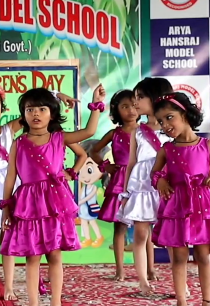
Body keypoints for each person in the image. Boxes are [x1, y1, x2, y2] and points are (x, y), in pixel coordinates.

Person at [0, 81, 82, 301]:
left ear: (3, 108)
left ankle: (9, 285)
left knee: (8, 237)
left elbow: (37, 107)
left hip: (10, 185)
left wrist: (58, 94)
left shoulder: (10, 129)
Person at [0, 87, 106, 306]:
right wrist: (5, 208)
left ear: (52, 114)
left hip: (54, 202)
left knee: (55, 254)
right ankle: (33, 302)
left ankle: (56, 302)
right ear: (23, 114)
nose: (35, 114)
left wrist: (96, 104)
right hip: (28, 204)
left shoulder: (59, 138)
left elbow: (89, 132)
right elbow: (11, 177)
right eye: (30, 109)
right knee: (32, 256)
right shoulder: (18, 143)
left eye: (42, 109)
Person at [150, 92, 210, 306]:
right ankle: (181, 301)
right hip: (177, 206)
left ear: (185, 114)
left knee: (203, 255)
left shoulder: (207, 145)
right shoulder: (167, 149)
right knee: (179, 257)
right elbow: (155, 173)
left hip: (202, 206)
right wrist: (160, 181)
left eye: (169, 117)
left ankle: (207, 301)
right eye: (161, 121)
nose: (165, 124)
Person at [116, 77, 174, 295]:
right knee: (140, 234)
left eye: (140, 97)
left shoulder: (173, 127)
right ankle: (143, 281)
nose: (135, 102)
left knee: (172, 236)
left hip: (166, 185)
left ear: (156, 98)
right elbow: (132, 162)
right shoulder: (138, 131)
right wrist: (125, 191)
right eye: (134, 98)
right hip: (142, 186)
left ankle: (179, 281)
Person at [90, 89, 139, 281]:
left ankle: (148, 270)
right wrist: (106, 167)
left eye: (134, 105)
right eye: (125, 106)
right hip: (120, 181)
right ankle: (120, 269)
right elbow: (95, 151)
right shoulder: (114, 133)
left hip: (140, 181)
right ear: (116, 111)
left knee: (144, 227)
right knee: (120, 228)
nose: (131, 110)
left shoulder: (146, 131)